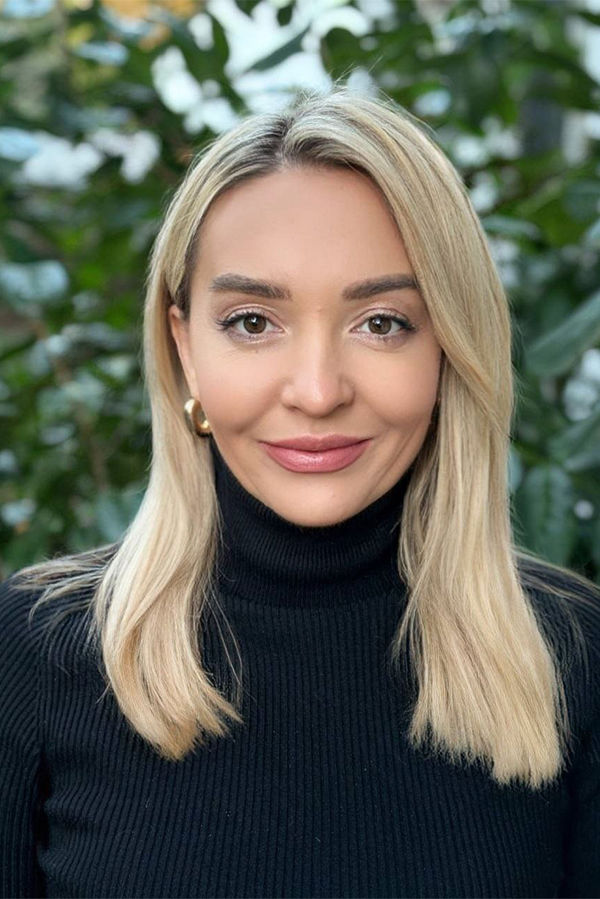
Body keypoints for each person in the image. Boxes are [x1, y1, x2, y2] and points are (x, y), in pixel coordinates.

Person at [1, 86, 598, 899]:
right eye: (253, 321)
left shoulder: (575, 658)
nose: (317, 392)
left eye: (382, 322)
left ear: (452, 347)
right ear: (184, 348)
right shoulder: (33, 655)